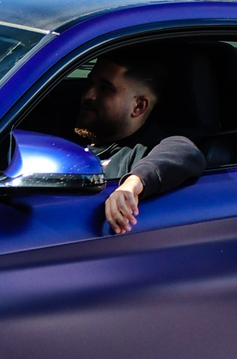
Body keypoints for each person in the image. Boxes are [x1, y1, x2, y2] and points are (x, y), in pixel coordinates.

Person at [68, 50, 204, 234]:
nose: (89, 95)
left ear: (139, 106)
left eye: (105, 88)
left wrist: (132, 184)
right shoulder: (69, 133)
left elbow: (184, 151)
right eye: (90, 83)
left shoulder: (141, 152)